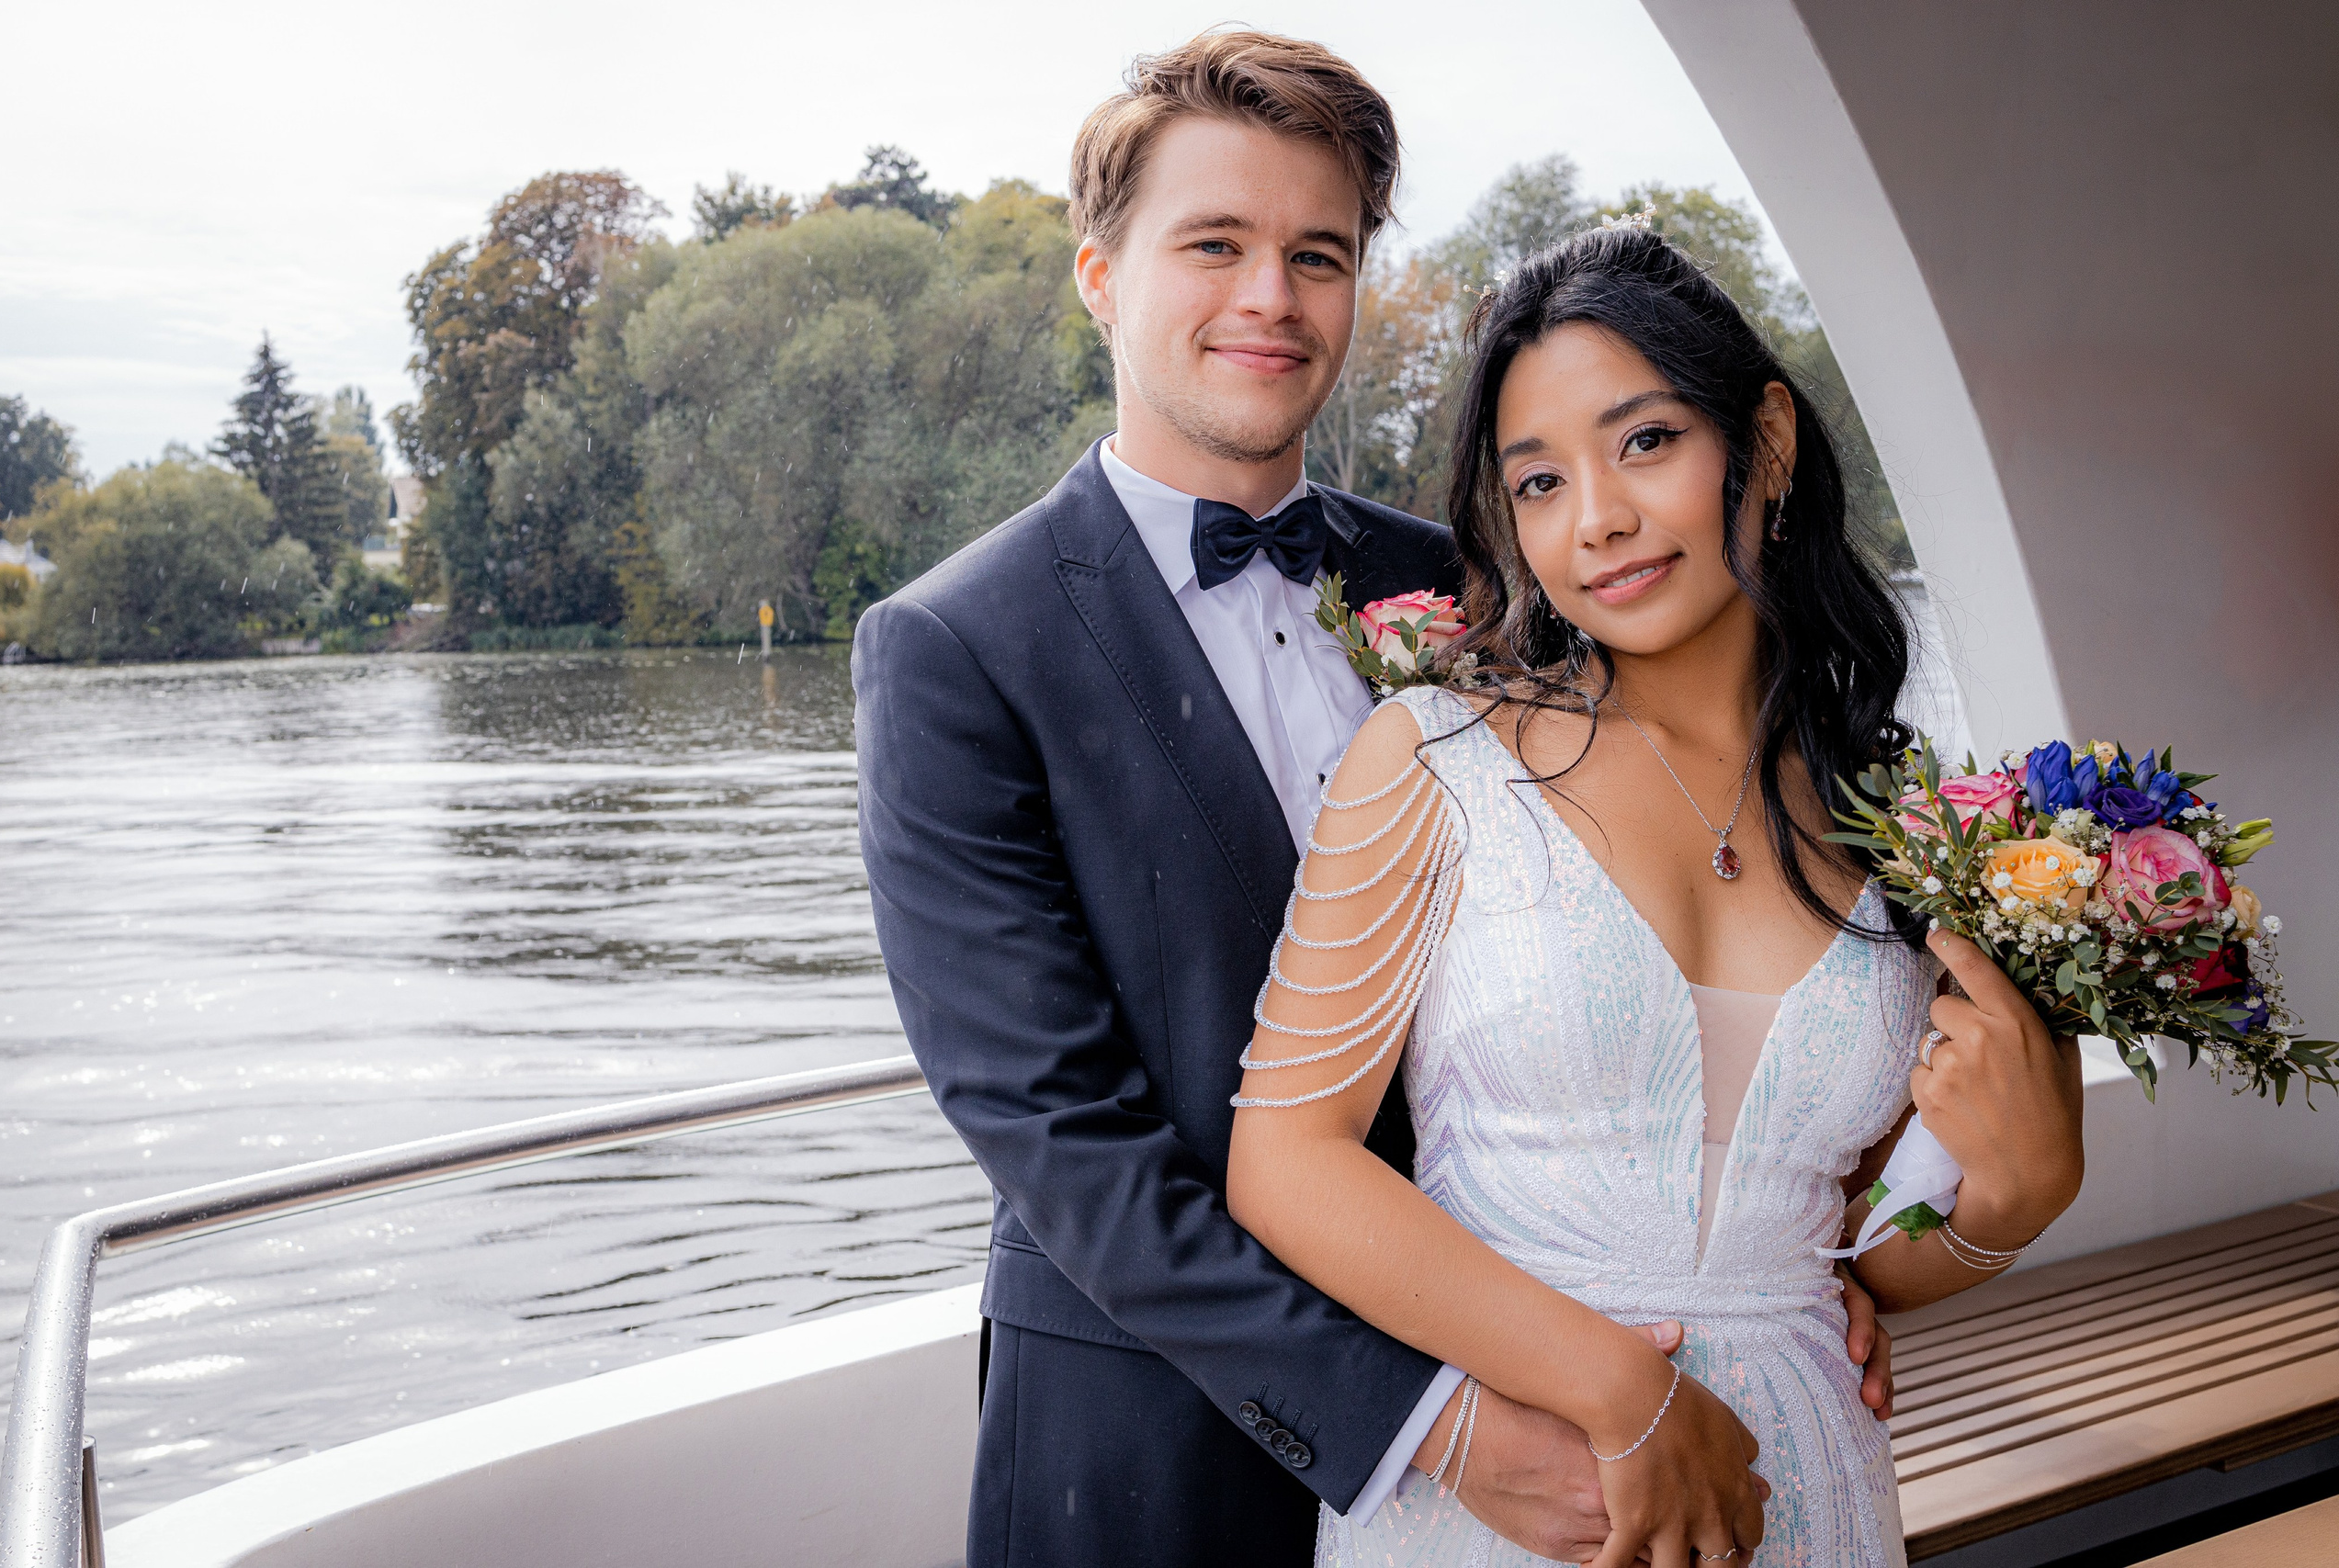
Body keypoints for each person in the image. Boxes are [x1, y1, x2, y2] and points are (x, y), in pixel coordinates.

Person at [855, 32, 1897, 1568]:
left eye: (1317, 254)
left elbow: (1669, 927)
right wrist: (1430, 1420)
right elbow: (1062, 1139)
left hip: (1557, 1388)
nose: (1270, 297)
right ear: (1098, 273)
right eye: (1214, 244)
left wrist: (1778, 1252)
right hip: (1159, 1449)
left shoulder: (1479, 579)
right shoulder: (954, 649)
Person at [1225, 222, 2087, 1568]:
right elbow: (1285, 1163)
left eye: (1645, 443)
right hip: (1530, 1486)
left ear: (1770, 444)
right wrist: (1621, 1395)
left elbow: (1849, 1258)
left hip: (1804, 1485)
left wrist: (2014, 1203)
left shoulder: (1901, 822)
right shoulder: (1435, 759)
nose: (1599, 521)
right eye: (1539, 482)